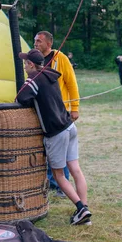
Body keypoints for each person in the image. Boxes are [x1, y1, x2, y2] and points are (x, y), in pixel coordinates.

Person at [16, 49, 91, 226]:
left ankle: (81, 209)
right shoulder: (50, 75)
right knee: (76, 170)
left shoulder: (34, 79)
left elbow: (20, 98)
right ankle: (85, 208)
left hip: (56, 132)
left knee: (58, 175)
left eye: (26, 62)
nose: (24, 65)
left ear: (31, 65)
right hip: (69, 126)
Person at [34, 31, 80, 197]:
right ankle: (51, 182)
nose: (35, 43)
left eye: (39, 41)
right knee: (49, 147)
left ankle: (61, 185)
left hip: (60, 111)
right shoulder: (36, 60)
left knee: (62, 149)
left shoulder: (60, 58)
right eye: (35, 41)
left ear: (49, 44)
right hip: (45, 112)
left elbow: (71, 83)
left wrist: (74, 107)